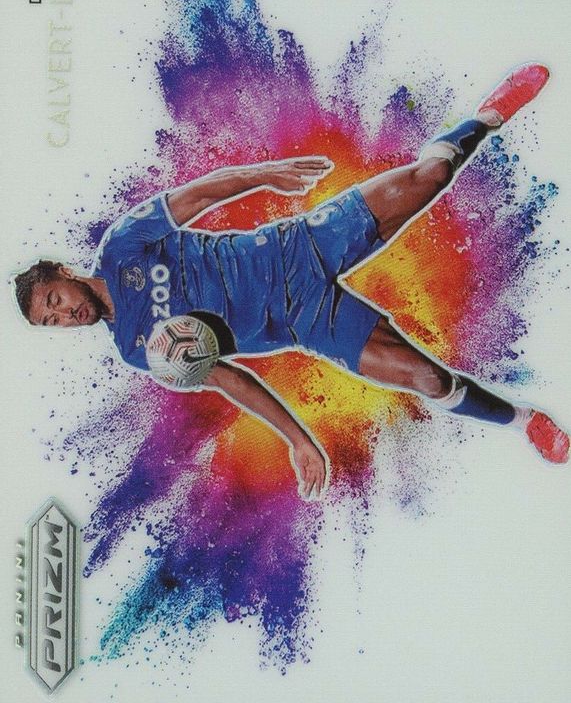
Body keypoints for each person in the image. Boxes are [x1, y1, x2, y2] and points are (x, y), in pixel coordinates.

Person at [13, 63, 569, 499]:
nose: (64, 316)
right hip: (306, 319)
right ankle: (524, 421)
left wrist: (265, 175)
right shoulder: (137, 349)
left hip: (298, 244)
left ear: (64, 272)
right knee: (428, 380)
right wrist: (299, 441)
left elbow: (197, 196)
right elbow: (229, 380)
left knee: (433, 174)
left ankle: (488, 116)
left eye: (54, 300)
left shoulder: (120, 247)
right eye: (51, 321)